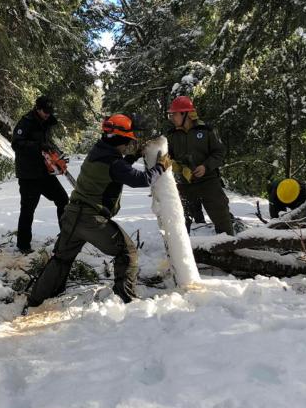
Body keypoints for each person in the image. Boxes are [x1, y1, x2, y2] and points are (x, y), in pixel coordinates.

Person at [24, 114, 168, 312]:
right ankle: (127, 300)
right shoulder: (114, 163)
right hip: (90, 220)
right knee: (127, 252)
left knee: (61, 259)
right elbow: (141, 179)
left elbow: (117, 166)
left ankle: (35, 302)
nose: (129, 145)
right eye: (128, 141)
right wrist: (161, 166)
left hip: (72, 215)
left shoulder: (99, 151)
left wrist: (133, 157)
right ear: (121, 139)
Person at [166, 95, 234, 235]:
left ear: (186, 114)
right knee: (179, 220)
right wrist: (175, 165)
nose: (172, 117)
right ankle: (180, 253)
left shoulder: (207, 131)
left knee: (222, 217)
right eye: (171, 114)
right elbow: (168, 156)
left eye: (174, 114)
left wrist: (205, 166)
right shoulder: (172, 135)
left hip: (208, 181)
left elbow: (219, 152)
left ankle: (229, 249)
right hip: (184, 184)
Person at [11, 95, 69, 254]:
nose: (47, 114)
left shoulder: (47, 122)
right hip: (28, 174)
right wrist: (37, 146)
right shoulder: (26, 122)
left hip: (45, 172)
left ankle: (66, 238)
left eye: (50, 111)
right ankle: (23, 245)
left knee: (63, 200)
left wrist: (56, 155)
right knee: (28, 209)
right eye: (45, 111)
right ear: (37, 108)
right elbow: (16, 144)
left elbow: (47, 143)